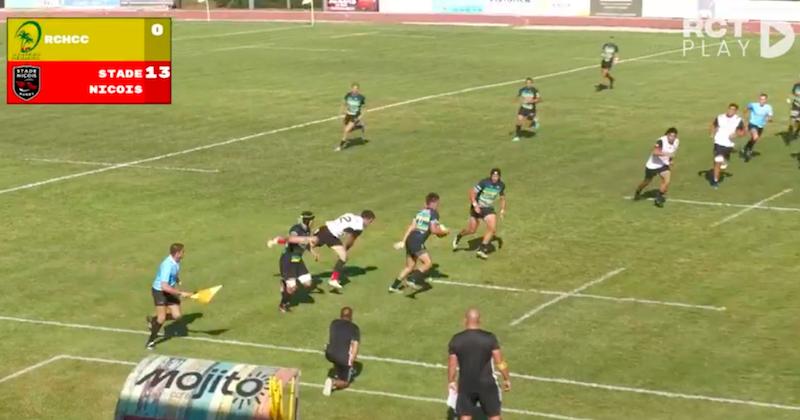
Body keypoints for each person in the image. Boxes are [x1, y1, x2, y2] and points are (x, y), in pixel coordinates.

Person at [448, 308, 511, 420]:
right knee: (494, 415)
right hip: (487, 383)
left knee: (465, 415)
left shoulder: (456, 339)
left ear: (465, 320)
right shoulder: (489, 338)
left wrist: (451, 381)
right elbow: (499, 362)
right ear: (479, 320)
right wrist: (506, 378)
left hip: (466, 383)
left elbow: (452, 364)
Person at [389, 193, 449, 293]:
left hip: (410, 240)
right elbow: (433, 230)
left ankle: (393, 287)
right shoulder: (434, 213)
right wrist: (444, 232)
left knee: (410, 266)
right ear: (434, 203)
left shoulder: (420, 213)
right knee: (428, 263)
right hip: (417, 241)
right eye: (437, 203)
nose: (438, 205)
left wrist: (403, 241)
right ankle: (411, 279)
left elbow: (411, 226)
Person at [267, 211, 320, 313]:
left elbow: (305, 243)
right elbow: (291, 239)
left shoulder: (307, 229)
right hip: (288, 260)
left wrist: (313, 252)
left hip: (297, 259)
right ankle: (283, 305)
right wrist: (308, 238)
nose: (314, 222)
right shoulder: (296, 229)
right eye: (312, 220)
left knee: (308, 283)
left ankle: (285, 282)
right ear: (308, 220)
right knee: (292, 288)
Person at [145, 243, 195, 350]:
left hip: (170, 290)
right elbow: (164, 286)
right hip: (160, 292)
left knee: (177, 316)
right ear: (177, 253)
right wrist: (181, 293)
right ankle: (150, 341)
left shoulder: (176, 262)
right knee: (162, 318)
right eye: (182, 252)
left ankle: (153, 320)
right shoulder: (167, 265)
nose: (184, 253)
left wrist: (177, 279)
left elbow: (174, 273)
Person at [312, 210, 376, 290]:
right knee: (344, 257)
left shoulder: (350, 215)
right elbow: (351, 240)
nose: (369, 224)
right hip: (330, 235)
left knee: (305, 246)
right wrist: (345, 249)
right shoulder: (359, 226)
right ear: (367, 219)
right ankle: (333, 279)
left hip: (325, 230)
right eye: (370, 222)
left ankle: (333, 279)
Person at [452, 169, 506, 260]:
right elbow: (472, 192)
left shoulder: (501, 185)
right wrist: (475, 205)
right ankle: (459, 236)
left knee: (492, 229)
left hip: (488, 208)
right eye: (493, 176)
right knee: (472, 230)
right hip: (477, 207)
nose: (495, 178)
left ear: (499, 177)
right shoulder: (484, 182)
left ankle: (481, 249)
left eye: (496, 176)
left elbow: (502, 198)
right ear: (490, 176)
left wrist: (502, 209)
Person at [634, 127, 680, 208]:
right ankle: (638, 191)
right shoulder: (661, 141)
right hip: (652, 165)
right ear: (667, 135)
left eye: (674, 136)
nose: (672, 138)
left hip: (663, 164)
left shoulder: (676, 142)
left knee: (667, 181)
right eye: (670, 136)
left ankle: (658, 198)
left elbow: (672, 152)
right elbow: (654, 152)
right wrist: (666, 154)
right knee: (647, 181)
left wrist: (670, 160)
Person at [323, 306, 360, 396]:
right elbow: (355, 346)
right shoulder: (354, 328)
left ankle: (338, 371)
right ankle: (333, 382)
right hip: (342, 357)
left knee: (338, 358)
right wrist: (351, 361)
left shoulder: (334, 323)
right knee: (345, 382)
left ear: (341, 315)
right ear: (351, 316)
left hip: (329, 353)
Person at [710, 103, 746, 188]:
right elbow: (713, 125)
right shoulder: (720, 117)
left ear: (736, 111)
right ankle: (715, 181)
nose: (731, 111)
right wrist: (712, 133)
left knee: (722, 163)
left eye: (733, 110)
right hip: (718, 142)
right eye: (730, 109)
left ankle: (723, 162)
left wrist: (736, 135)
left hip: (729, 144)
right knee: (718, 160)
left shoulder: (738, 120)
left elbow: (743, 132)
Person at [742, 93, 774, 162]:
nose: (762, 101)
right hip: (752, 124)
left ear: (766, 100)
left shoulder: (768, 107)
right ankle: (749, 151)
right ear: (758, 99)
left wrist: (769, 119)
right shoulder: (753, 105)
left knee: (755, 139)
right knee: (755, 137)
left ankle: (746, 147)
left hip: (760, 126)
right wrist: (744, 118)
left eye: (764, 99)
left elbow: (770, 116)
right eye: (761, 99)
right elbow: (746, 109)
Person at [336, 83, 366, 151]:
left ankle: (340, 146)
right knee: (348, 130)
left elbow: (364, 108)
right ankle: (360, 126)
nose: (355, 90)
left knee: (346, 130)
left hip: (355, 116)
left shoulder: (361, 98)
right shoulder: (348, 95)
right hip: (348, 114)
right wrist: (341, 112)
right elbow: (344, 103)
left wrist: (360, 116)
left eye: (356, 89)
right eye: (354, 89)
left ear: (358, 89)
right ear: (351, 89)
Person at [512, 77, 541, 142]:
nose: (528, 84)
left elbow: (539, 99)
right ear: (525, 83)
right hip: (523, 108)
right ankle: (517, 136)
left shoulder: (534, 90)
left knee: (528, 123)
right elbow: (519, 97)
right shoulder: (522, 90)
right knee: (519, 120)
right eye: (527, 83)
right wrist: (520, 100)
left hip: (531, 109)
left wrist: (531, 101)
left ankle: (534, 121)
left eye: (530, 83)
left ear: (532, 83)